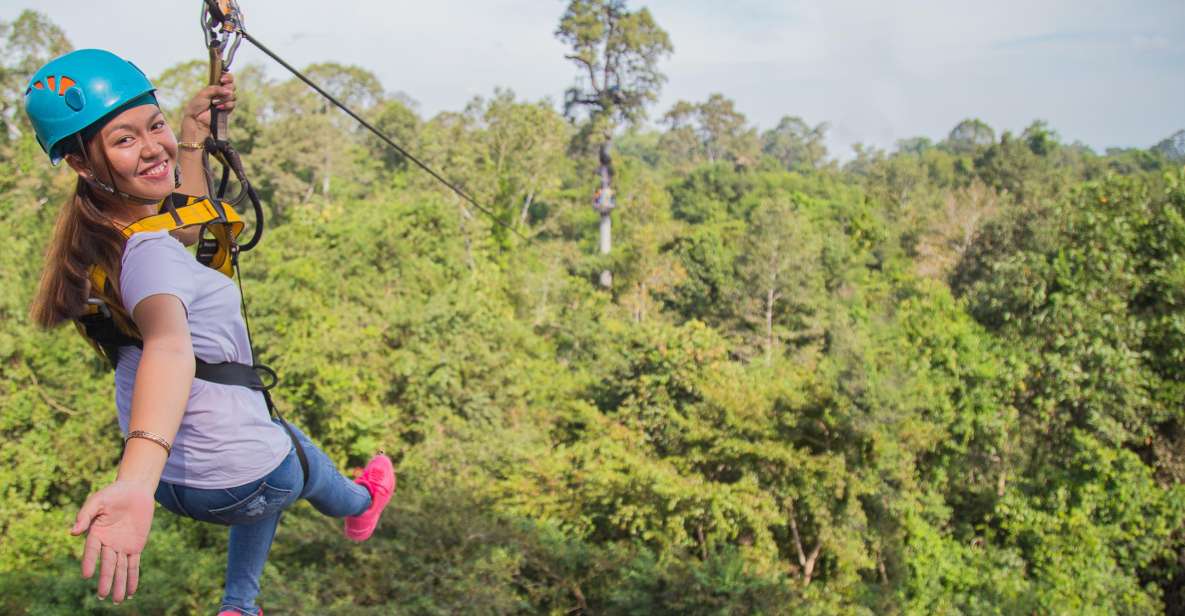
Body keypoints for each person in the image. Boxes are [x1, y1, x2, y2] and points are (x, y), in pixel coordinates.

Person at [24, 48, 396, 616]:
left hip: (180, 483)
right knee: (289, 461)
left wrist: (194, 136)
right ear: (82, 163)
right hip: (215, 479)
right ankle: (361, 502)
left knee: (268, 444)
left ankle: (240, 605)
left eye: (156, 125)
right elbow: (170, 348)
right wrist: (134, 484)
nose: (153, 148)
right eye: (125, 141)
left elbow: (180, 227)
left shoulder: (102, 241)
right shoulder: (149, 256)